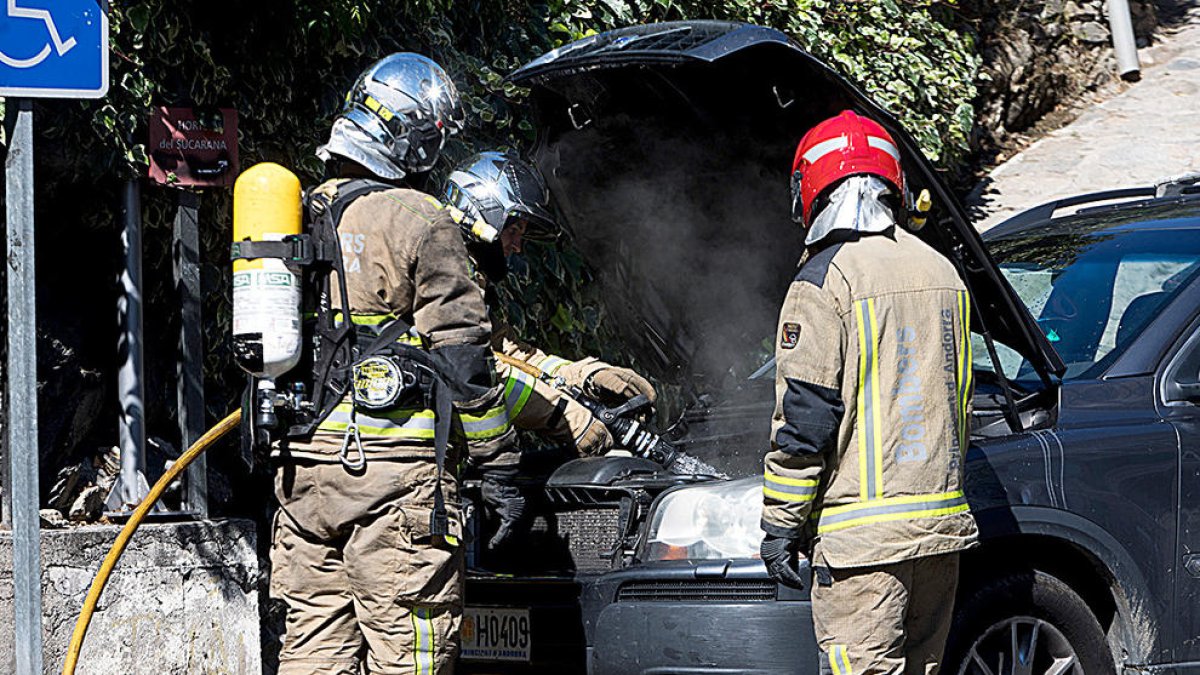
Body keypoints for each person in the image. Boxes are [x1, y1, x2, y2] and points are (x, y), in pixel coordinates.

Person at [269, 53, 514, 674]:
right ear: (415, 135)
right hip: (392, 480)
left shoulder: (293, 212)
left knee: (313, 653)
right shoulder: (417, 218)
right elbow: (463, 357)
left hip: (303, 476)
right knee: (411, 655)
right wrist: (501, 464)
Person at [758, 110, 979, 675]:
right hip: (940, 537)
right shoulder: (943, 272)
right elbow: (961, 404)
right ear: (893, 183)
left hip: (862, 552)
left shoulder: (824, 280)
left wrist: (782, 523)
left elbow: (804, 422)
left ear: (811, 186)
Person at [441, 151, 657, 546]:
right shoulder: (441, 276)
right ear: (485, 216)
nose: (518, 247)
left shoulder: (467, 280)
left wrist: (585, 376)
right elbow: (477, 371)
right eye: (513, 231)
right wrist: (566, 416)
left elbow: (511, 354)